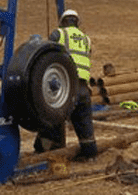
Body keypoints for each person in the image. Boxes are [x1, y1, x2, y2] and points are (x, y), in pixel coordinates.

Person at [34, 9, 98, 161]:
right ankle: (90, 153)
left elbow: (46, 53)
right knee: (84, 121)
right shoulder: (86, 39)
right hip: (83, 87)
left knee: (51, 117)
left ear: (63, 22)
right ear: (77, 22)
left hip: (66, 87)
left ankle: (46, 149)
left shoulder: (59, 34)